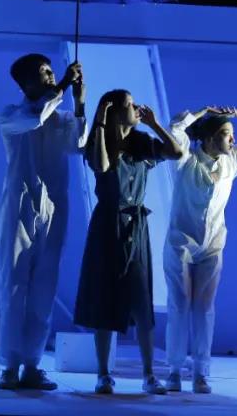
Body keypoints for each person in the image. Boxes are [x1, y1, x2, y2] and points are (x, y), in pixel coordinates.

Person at [74, 90, 184, 395]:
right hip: (108, 224)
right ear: (114, 112)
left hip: (136, 224)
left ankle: (149, 374)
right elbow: (101, 165)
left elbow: (175, 153)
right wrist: (100, 121)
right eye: (130, 105)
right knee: (104, 298)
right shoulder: (100, 142)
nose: (136, 108)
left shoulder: (141, 142)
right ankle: (103, 373)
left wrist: (155, 124)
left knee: (140, 299)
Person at [162, 105, 237, 393]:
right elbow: (175, 129)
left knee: (204, 308)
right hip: (181, 244)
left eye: (232, 134)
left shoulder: (231, 161)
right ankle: (174, 370)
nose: (232, 139)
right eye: (226, 134)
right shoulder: (185, 159)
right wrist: (202, 112)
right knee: (180, 304)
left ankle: (201, 372)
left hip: (212, 245)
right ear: (210, 139)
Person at [0, 55, 86, 390]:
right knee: (14, 287)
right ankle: (10, 366)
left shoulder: (60, 116)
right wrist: (62, 86)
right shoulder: (11, 115)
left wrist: (80, 101)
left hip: (54, 209)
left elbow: (79, 144)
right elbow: (35, 118)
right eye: (43, 73)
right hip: (19, 210)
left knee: (44, 288)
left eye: (51, 71)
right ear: (24, 84)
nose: (50, 76)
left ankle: (32, 365)